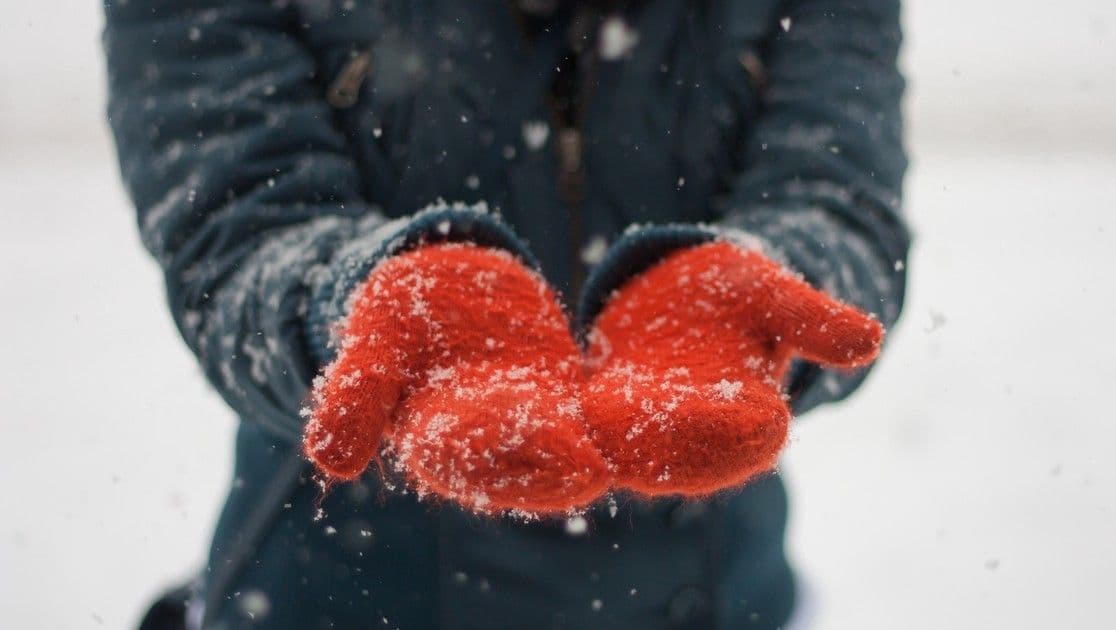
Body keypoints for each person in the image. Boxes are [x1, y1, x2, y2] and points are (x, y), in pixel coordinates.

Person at [105, 0, 910, 628]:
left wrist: (776, 284)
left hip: (713, 596)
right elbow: (237, 225)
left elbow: (836, 194)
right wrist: (352, 304)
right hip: (338, 591)